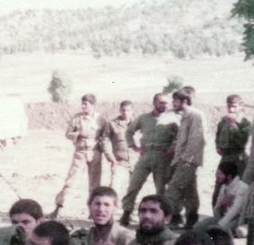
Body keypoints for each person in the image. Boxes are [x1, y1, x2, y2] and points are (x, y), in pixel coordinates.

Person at [120, 93, 180, 226]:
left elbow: (179, 137)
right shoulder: (143, 118)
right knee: (134, 185)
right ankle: (126, 212)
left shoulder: (172, 120)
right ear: (154, 103)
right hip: (145, 155)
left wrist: (172, 149)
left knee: (161, 189)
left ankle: (162, 216)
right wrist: (133, 146)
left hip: (163, 157)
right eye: (161, 103)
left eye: (166, 103)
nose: (164, 105)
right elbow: (129, 131)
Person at [53, 93, 108, 215]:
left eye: (85, 104)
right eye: (82, 104)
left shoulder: (101, 119)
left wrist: (107, 153)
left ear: (93, 105)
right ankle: (60, 208)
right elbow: (68, 134)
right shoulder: (77, 118)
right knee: (71, 180)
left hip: (95, 153)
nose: (83, 106)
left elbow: (105, 137)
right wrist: (79, 134)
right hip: (80, 152)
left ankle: (94, 212)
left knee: (95, 184)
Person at [163, 87, 206, 228]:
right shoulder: (186, 116)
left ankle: (166, 219)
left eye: (175, 100)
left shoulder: (196, 115)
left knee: (173, 189)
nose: (173, 103)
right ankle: (191, 221)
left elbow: (196, 139)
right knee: (189, 191)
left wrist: (186, 159)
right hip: (182, 159)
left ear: (185, 101)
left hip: (188, 161)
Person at [67, 186, 131, 245]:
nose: (101, 209)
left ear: (115, 208)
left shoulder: (125, 238)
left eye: (107, 205)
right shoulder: (82, 237)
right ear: (89, 206)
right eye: (97, 204)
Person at [213, 94, 251, 203]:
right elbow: (218, 134)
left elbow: (242, 141)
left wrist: (233, 126)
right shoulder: (224, 120)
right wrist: (218, 146)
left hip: (238, 158)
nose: (231, 109)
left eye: (234, 106)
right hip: (225, 157)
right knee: (219, 187)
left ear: (241, 106)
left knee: (237, 187)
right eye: (229, 106)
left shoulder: (245, 122)